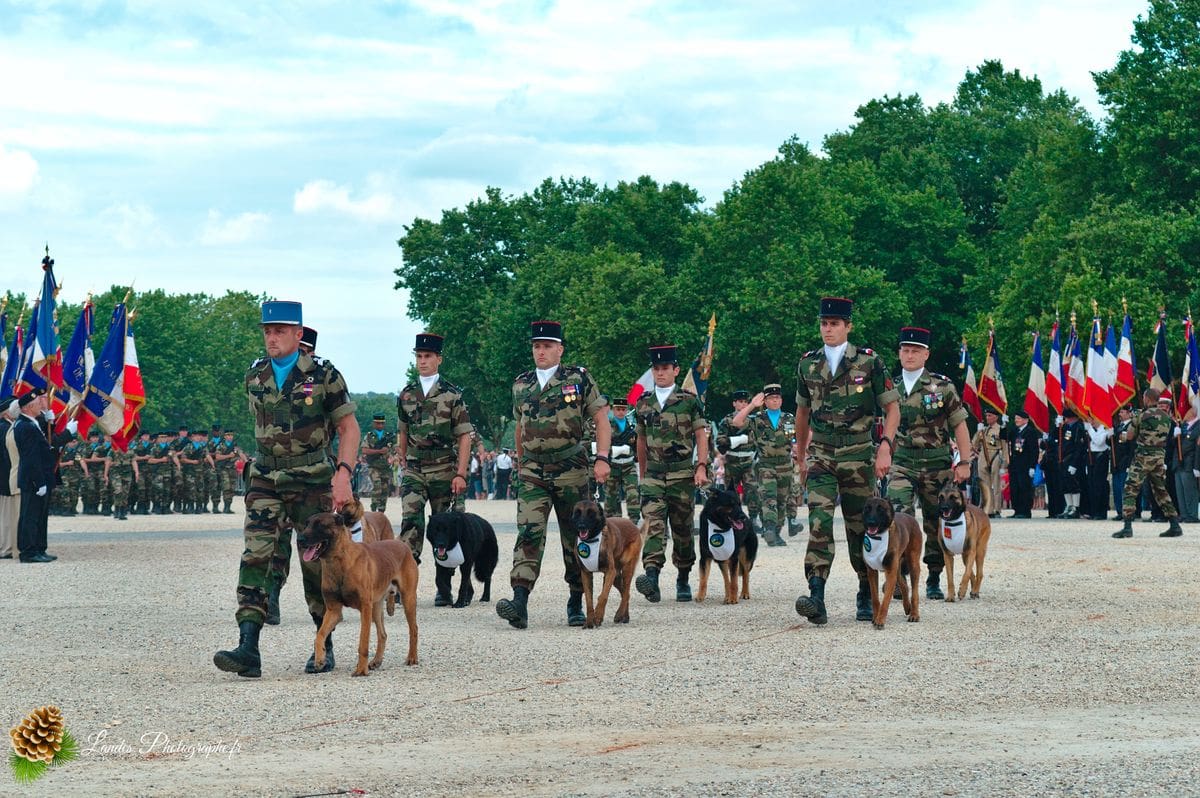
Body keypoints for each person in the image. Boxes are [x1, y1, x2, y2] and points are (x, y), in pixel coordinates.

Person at [213, 299, 359, 678]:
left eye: (279, 331)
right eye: (267, 331)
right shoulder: (255, 375)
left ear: (298, 334)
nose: (272, 338)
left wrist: (343, 474)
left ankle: (323, 643)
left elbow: (348, 428)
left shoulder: (324, 375)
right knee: (256, 555)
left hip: (312, 480)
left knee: (316, 562)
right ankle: (248, 647)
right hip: (265, 479)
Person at [496, 320, 610, 629]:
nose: (541, 351)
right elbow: (520, 427)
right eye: (537, 346)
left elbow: (602, 419)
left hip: (571, 468)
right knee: (529, 532)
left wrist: (602, 458)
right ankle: (519, 600)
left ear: (560, 349)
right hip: (533, 470)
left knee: (576, 534)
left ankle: (576, 598)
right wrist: (521, 462)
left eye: (547, 346)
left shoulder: (578, 378)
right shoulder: (521, 384)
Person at [793, 297, 900, 624]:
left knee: (860, 525)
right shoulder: (808, 364)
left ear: (848, 326)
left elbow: (892, 408)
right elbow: (802, 412)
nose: (828, 329)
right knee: (819, 522)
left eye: (835, 324)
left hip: (858, 454)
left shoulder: (868, 362)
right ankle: (816, 595)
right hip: (822, 455)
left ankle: (866, 590)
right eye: (824, 323)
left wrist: (885, 447)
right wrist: (801, 456)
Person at [884, 326, 973, 600]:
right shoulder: (889, 387)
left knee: (936, 521)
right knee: (899, 516)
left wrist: (965, 462)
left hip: (937, 465)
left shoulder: (943, 386)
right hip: (901, 463)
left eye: (915, 351)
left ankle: (934, 575)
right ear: (899, 353)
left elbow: (959, 424)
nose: (909, 355)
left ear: (926, 354)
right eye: (905, 350)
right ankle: (899, 575)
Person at [633, 344, 708, 602]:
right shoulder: (644, 403)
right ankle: (651, 576)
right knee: (653, 525)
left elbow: (701, 435)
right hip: (654, 476)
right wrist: (643, 474)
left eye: (665, 368)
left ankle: (683, 576)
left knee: (682, 529)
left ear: (675, 370)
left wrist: (701, 466)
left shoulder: (689, 401)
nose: (660, 372)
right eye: (656, 368)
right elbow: (641, 440)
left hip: (682, 475)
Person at [396, 333, 473, 578]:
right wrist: (403, 459)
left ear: (439, 359)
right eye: (419, 356)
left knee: (445, 527)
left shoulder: (452, 395)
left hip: (444, 469)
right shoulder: (406, 394)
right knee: (411, 522)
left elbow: (464, 436)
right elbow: (403, 431)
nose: (422, 361)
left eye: (427, 356)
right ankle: (405, 581)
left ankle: (444, 586)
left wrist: (460, 474)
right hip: (415, 470)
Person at [1112, 389, 1183, 539]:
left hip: (1143, 457)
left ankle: (1127, 526)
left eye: (1144, 398)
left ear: (1147, 399)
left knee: (1130, 489)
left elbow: (1129, 436)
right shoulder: (1166, 417)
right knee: (1161, 491)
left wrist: (1121, 436)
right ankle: (1175, 525)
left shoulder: (1141, 416)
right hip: (1159, 457)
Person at [730, 384, 795, 547]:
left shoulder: (789, 418)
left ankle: (776, 533)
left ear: (781, 400)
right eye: (771, 398)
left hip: (785, 465)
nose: (775, 401)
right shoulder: (757, 418)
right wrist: (752, 405)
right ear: (765, 401)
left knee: (782, 500)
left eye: (777, 398)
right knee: (768, 496)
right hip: (766, 465)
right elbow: (737, 422)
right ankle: (769, 528)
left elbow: (801, 434)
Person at [14, 390, 56, 563]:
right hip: (33, 479)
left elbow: (43, 444)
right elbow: (32, 457)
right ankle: (28, 552)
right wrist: (39, 482)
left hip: (38, 477)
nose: (41, 406)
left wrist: (51, 423)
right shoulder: (25, 426)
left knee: (39, 515)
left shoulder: (32, 423)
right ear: (28, 407)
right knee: (30, 516)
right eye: (38, 404)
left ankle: (38, 548)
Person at [714, 389, 761, 532]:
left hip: (748, 461)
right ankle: (733, 519)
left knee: (753, 490)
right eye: (740, 402)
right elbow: (720, 441)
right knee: (731, 494)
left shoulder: (752, 421)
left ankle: (753, 519)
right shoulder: (727, 421)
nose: (743, 404)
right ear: (734, 403)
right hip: (732, 462)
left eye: (746, 402)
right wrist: (738, 440)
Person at [604, 397, 640, 522]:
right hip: (612, 466)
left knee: (633, 495)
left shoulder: (632, 425)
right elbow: (599, 445)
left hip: (629, 466)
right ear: (613, 410)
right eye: (618, 409)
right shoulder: (607, 425)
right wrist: (614, 450)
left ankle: (633, 523)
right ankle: (613, 524)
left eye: (623, 409)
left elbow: (638, 444)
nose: (621, 412)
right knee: (611, 499)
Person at [972, 408, 1007, 517]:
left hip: (995, 455)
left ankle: (997, 509)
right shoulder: (984, 430)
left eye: (990, 416)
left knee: (996, 484)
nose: (987, 418)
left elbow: (1005, 447)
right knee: (984, 484)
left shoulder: (1000, 429)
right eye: (986, 416)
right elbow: (974, 445)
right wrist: (978, 432)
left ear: (996, 417)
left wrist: (1004, 464)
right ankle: (988, 508)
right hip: (983, 456)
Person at [1007, 409, 1040, 519]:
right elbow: (1004, 437)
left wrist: (1032, 466)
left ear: (1026, 420)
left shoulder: (1030, 432)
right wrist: (1003, 425)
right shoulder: (1015, 431)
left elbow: (1034, 450)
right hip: (1015, 464)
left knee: (1024, 488)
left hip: (1025, 465)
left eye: (1019, 418)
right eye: (1015, 418)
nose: (1016, 420)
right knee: (1014, 488)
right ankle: (1017, 510)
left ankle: (1025, 511)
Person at [361, 414, 396, 512]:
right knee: (377, 487)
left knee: (385, 490)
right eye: (378, 423)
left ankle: (381, 511)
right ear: (374, 423)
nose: (380, 425)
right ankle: (374, 508)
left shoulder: (388, 436)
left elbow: (395, 448)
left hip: (385, 467)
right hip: (374, 466)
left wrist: (392, 457)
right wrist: (379, 451)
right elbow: (364, 450)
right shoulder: (369, 436)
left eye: (382, 423)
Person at [1057, 407, 1086, 519]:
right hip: (1064, 459)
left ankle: (1075, 507)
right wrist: (1058, 426)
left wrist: (1074, 464)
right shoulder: (1065, 427)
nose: (1066, 419)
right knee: (1065, 484)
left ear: (1073, 418)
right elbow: (1058, 439)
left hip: (1073, 459)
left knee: (1074, 484)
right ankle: (1069, 506)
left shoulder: (1078, 427)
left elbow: (1079, 447)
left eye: (1067, 417)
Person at [1172, 407, 1199, 523]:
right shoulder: (1182, 426)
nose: (1183, 413)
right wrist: (1175, 435)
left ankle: (1192, 514)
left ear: (1193, 412)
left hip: (1189, 462)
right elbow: (1174, 444)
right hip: (1178, 463)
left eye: (1186, 411)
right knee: (1180, 490)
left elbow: (1193, 445)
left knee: (1190, 490)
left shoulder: (1198, 426)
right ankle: (1183, 514)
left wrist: (1197, 466)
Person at [0, 397, 19, 559]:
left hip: (5, 477)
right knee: (7, 516)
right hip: (5, 478)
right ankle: (5, 547)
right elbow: (6, 456)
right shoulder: (5, 428)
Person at [1084, 418, 1112, 520]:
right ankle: (1092, 511)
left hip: (1101, 457)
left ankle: (1100, 512)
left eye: (1093, 419)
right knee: (1091, 484)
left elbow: (1099, 441)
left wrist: (1090, 429)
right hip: (1090, 456)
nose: (1091, 422)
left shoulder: (1105, 429)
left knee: (1099, 485)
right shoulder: (1091, 429)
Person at [104, 436, 138, 520]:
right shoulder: (112, 450)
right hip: (116, 472)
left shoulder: (130, 451)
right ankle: (117, 509)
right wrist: (105, 474)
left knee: (125, 493)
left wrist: (136, 472)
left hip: (127, 473)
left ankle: (122, 511)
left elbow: (133, 461)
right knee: (118, 490)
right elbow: (108, 462)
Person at [1112, 405, 1136, 518]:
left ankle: (1128, 512)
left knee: (1125, 489)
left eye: (1122, 412)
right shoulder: (1118, 427)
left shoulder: (1132, 426)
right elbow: (1113, 445)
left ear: (1128, 413)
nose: (1119, 414)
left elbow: (1132, 447)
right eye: (1120, 412)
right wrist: (1110, 436)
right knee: (1117, 488)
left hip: (1125, 462)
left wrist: (1130, 463)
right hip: (1116, 462)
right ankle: (1119, 511)